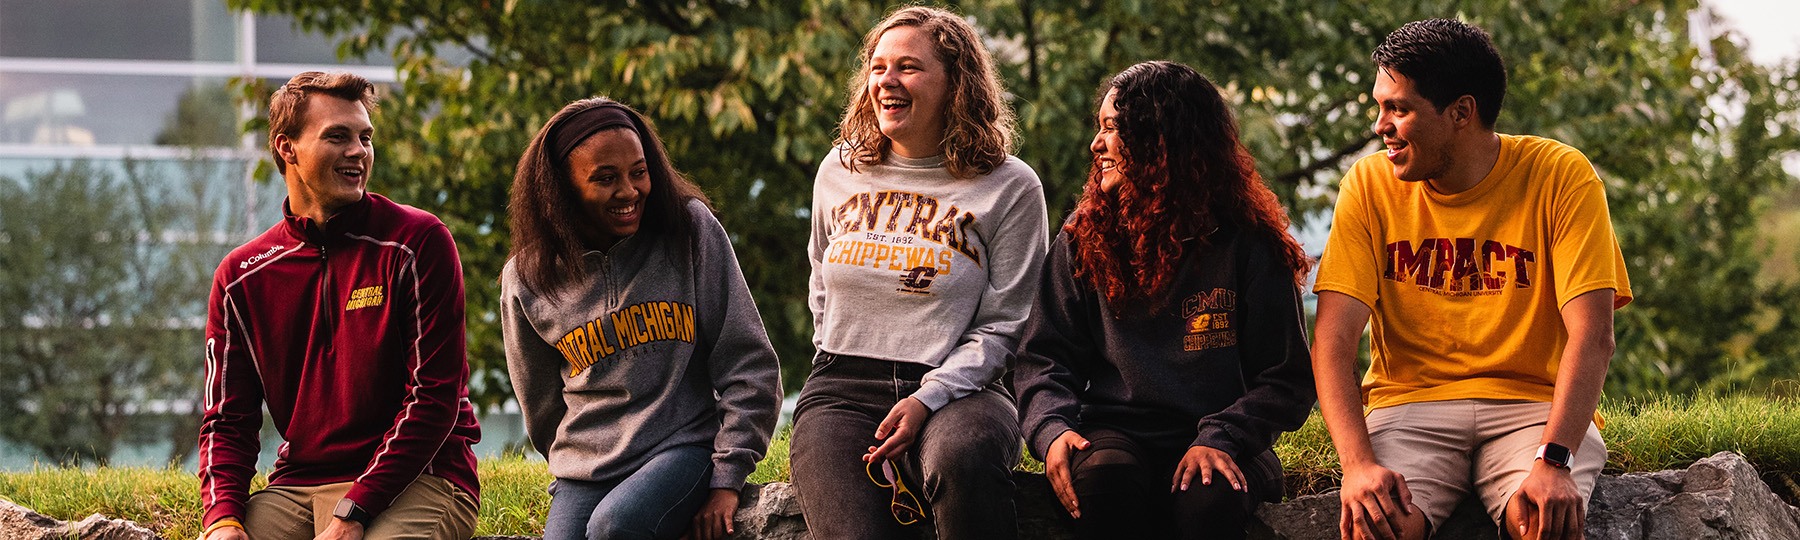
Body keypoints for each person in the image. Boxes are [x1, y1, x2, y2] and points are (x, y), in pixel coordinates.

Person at [1312, 19, 1633, 540]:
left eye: (1399, 108)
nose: (1380, 125)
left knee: (1543, 522)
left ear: (1461, 112)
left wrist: (1553, 462)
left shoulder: (1560, 175)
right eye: (1380, 106)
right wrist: (1357, 466)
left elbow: (1593, 334)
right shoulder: (1368, 186)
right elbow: (1332, 340)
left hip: (1532, 407)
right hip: (1409, 406)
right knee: (1376, 524)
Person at [1013, 61, 1317, 540]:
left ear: (1161, 137)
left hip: (1224, 437)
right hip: (1115, 432)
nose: (1096, 145)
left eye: (1112, 129)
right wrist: (1050, 430)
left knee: (1206, 497)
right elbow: (1043, 357)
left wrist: (1222, 438)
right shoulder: (1085, 236)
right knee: (1103, 481)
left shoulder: (1248, 243)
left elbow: (1286, 379)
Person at [789, 6, 1049, 539]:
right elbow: (820, 277)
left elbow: (1009, 324)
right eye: (878, 67)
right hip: (843, 388)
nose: (886, 81)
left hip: (965, 390)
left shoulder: (1011, 187)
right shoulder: (839, 168)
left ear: (957, 84)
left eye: (908, 67)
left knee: (963, 460)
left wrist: (928, 396)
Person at [198, 71, 481, 540]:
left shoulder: (417, 242)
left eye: (365, 137)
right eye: (338, 136)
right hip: (298, 488)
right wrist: (223, 519)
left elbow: (434, 398)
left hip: (422, 480)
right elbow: (227, 420)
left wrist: (357, 508)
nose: (359, 151)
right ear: (287, 147)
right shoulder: (241, 276)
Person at [500, 97, 782, 540]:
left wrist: (728, 476)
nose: (629, 191)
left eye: (639, 171)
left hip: (682, 447)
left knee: (617, 526)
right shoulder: (528, 277)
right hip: (585, 468)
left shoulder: (690, 231)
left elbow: (748, 363)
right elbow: (541, 403)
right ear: (562, 189)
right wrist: (569, 462)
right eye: (605, 179)